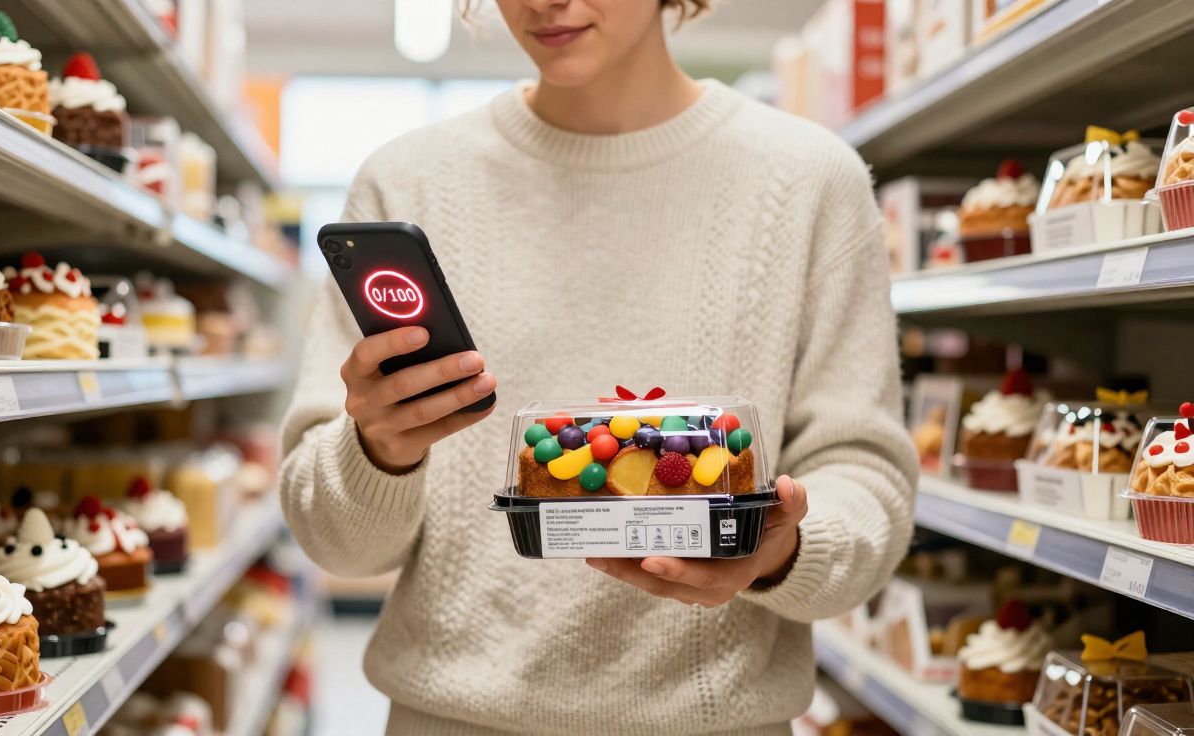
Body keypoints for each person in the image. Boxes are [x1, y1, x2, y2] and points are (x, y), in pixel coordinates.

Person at [281, 0, 918, 733]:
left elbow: (867, 480)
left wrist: (780, 550)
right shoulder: (409, 182)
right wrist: (376, 453)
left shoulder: (809, 182)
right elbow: (339, 545)